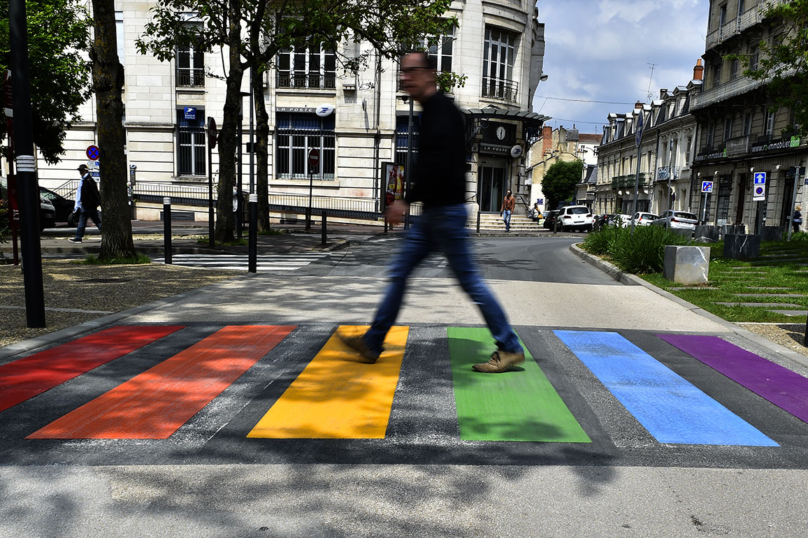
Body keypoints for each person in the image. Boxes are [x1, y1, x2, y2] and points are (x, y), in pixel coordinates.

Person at [337, 51, 525, 374]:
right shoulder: (436, 112)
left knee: (470, 283)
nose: (404, 78)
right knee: (403, 272)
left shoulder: (441, 113)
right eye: (403, 73)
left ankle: (509, 346)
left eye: (411, 72)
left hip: (445, 215)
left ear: (429, 74)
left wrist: (405, 201)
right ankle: (373, 341)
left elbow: (436, 168)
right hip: (436, 215)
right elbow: (433, 166)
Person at [69, 164, 101, 243]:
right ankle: (78, 237)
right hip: (88, 205)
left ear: (85, 170)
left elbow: (94, 193)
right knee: (96, 221)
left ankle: (78, 237)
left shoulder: (88, 180)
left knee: (83, 220)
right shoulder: (85, 179)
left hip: (87, 205)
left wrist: (86, 203)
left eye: (81, 171)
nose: (80, 172)